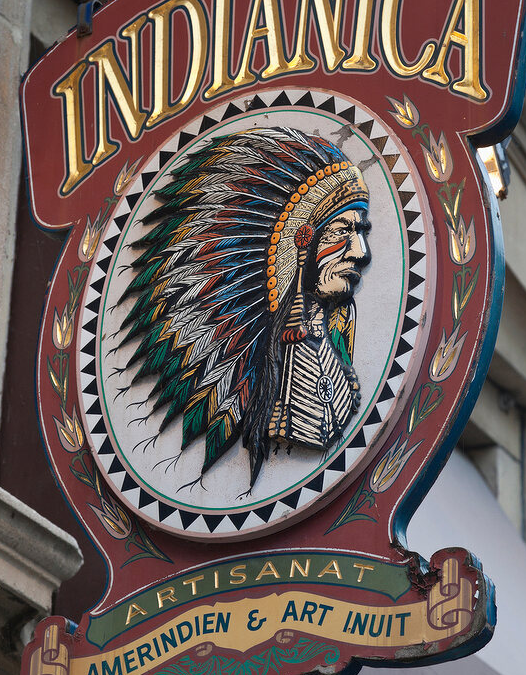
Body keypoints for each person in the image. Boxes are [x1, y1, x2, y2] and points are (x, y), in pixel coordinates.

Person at [122, 126, 371, 487]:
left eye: (361, 230)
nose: (361, 252)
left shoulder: (333, 341)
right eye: (341, 231)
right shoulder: (285, 356)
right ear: (300, 240)